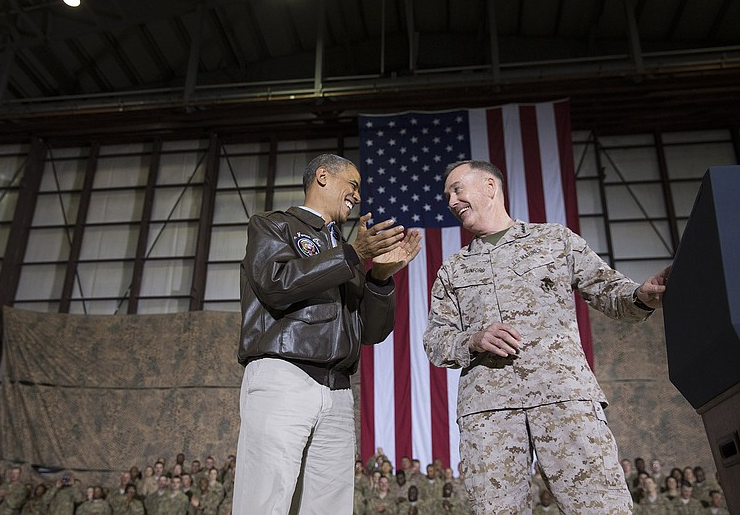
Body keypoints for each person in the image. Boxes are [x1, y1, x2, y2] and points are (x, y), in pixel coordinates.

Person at [422, 160, 669, 514]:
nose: (451, 201)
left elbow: (610, 292)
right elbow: (435, 340)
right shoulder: (453, 269)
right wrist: (473, 339)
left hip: (564, 397)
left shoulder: (554, 240)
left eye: (457, 188)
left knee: (600, 506)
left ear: (490, 186)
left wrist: (640, 295)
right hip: (489, 412)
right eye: (447, 195)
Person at [232, 153, 423, 514]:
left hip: (337, 390)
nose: (358, 196)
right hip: (284, 375)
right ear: (322, 176)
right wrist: (352, 254)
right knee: (264, 499)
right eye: (353, 184)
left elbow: (371, 333)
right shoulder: (274, 226)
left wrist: (379, 277)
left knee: (329, 506)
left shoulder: (344, 252)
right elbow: (277, 284)